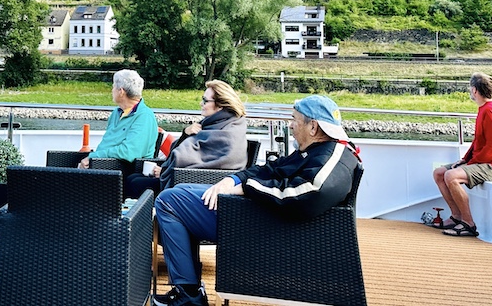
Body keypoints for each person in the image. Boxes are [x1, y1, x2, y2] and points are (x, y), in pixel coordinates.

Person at [153, 94, 361, 306]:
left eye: (294, 119)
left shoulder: (333, 158)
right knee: (180, 191)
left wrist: (246, 187)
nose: (290, 126)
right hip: (264, 218)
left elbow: (309, 194)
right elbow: (270, 168)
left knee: (169, 201)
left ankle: (188, 294)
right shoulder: (316, 152)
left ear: (313, 128)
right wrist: (233, 179)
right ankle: (188, 292)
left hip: (263, 230)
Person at [125, 80, 248, 198]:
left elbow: (188, 157)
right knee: (132, 178)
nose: (201, 104)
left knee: (135, 183)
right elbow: (189, 153)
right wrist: (186, 133)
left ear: (220, 106)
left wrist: (164, 171)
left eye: (205, 101)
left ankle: (138, 218)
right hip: (186, 176)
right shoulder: (215, 123)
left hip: (197, 185)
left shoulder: (228, 131)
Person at [431, 72, 492, 237]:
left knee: (451, 176)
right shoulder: (485, 109)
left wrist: (470, 163)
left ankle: (468, 223)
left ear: (475, 90)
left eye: (471, 88)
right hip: (485, 161)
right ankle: (456, 216)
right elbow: (478, 142)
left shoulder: (490, 112)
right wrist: (465, 159)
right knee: (439, 173)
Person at [77, 69, 158, 169]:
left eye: (114, 87)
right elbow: (108, 144)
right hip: (100, 165)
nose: (112, 90)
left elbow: (129, 152)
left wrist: (94, 157)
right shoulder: (117, 113)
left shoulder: (145, 116)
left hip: (122, 170)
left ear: (121, 91)